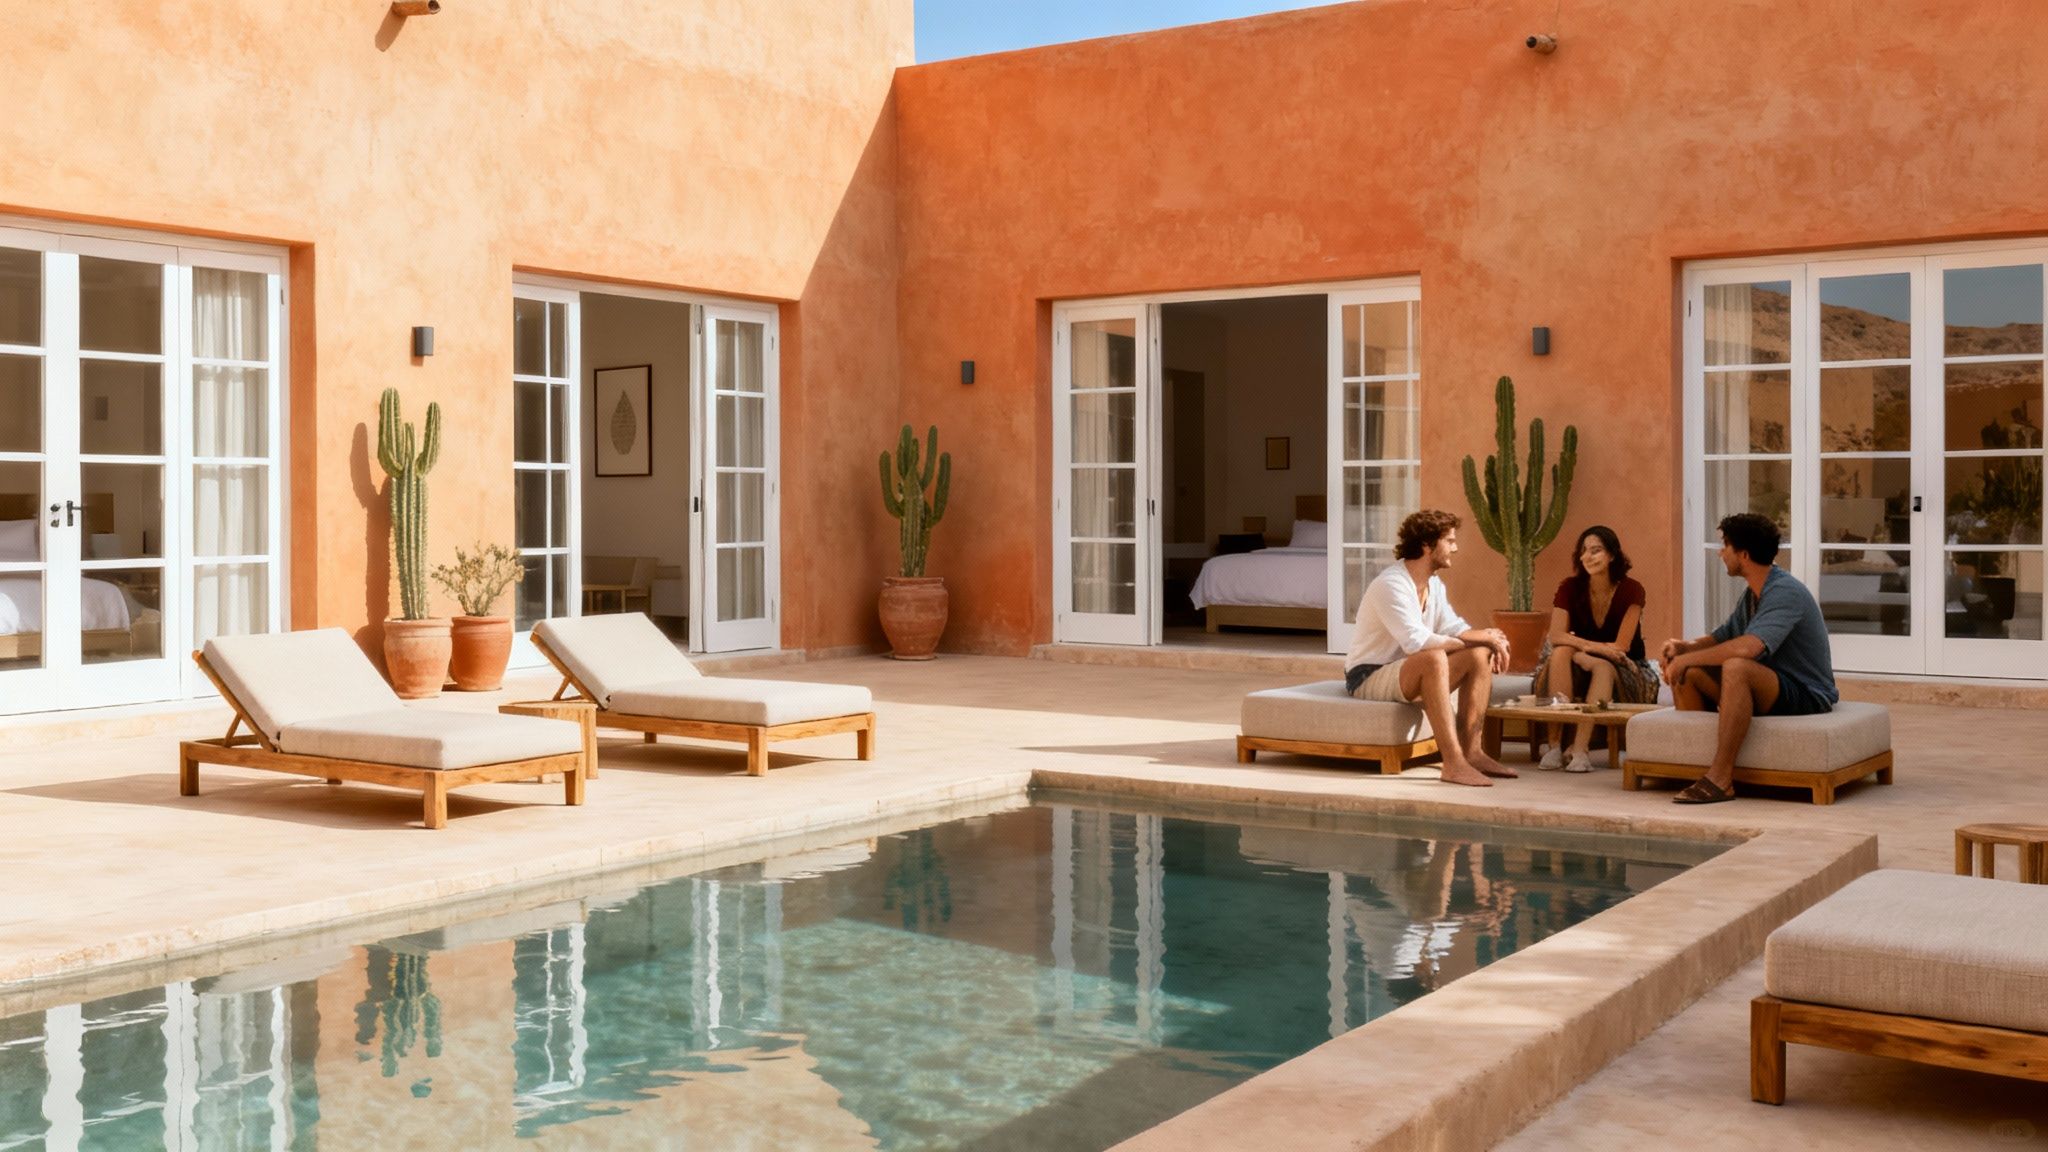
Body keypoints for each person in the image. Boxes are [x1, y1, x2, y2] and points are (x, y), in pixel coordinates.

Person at [1658, 512, 1838, 804]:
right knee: (1688, 674)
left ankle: (1720, 778)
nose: (1720, 553)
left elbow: (1747, 648)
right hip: (1773, 687)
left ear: (1743, 554)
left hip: (1807, 692)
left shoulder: (1784, 591)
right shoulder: (1753, 594)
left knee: (1737, 667)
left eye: (1725, 545)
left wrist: (1690, 658)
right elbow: (1722, 637)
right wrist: (1683, 648)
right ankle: (1692, 770)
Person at [1345, 509, 1515, 788]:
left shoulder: (1433, 584)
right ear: (1427, 545)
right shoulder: (1392, 584)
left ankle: (1472, 752)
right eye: (1449, 541)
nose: (1455, 547)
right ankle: (1453, 763)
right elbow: (1416, 642)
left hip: (1406, 672)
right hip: (1368, 674)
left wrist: (1488, 639)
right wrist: (1475, 639)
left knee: (1477, 654)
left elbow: (1454, 626)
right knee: (1434, 658)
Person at [1533, 525, 1660, 773]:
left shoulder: (1632, 590)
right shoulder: (1569, 587)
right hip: (1581, 656)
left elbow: (1621, 647)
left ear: (1612, 555)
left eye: (1596, 550)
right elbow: (1556, 635)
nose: (1587, 557)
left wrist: (1584, 651)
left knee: (1601, 666)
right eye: (1584, 551)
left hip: (1625, 666)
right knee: (1561, 652)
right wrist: (1584, 647)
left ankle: (1580, 750)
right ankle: (1555, 746)